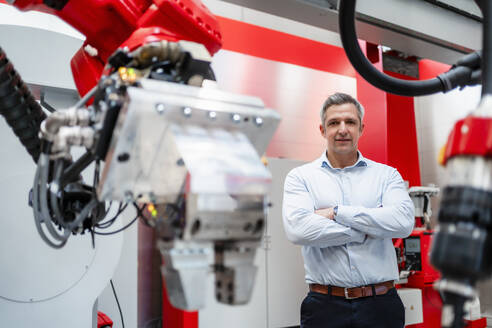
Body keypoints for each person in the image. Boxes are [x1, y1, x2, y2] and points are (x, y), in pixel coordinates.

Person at [282, 92, 415, 328]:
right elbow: (298, 230)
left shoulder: (386, 176)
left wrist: (336, 212)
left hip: (381, 305)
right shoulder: (300, 177)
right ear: (322, 130)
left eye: (350, 122)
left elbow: (403, 223)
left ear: (361, 128)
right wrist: (365, 229)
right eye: (334, 123)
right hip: (324, 307)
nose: (342, 129)